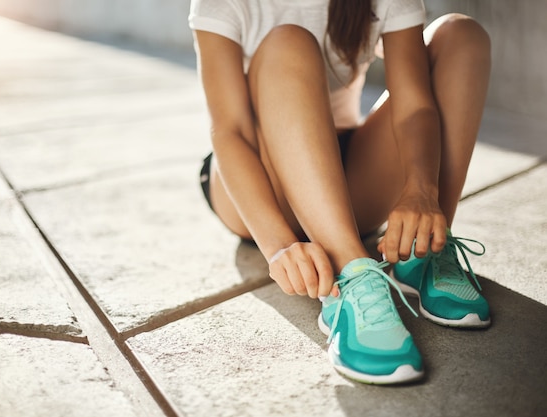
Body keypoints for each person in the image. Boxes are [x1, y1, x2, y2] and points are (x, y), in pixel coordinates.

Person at [189, 0, 491, 385]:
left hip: (348, 178)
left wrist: (421, 191)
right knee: (287, 41)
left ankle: (424, 247)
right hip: (258, 183)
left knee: (462, 37)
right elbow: (230, 131)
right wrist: (278, 244)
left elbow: (414, 106)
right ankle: (354, 274)